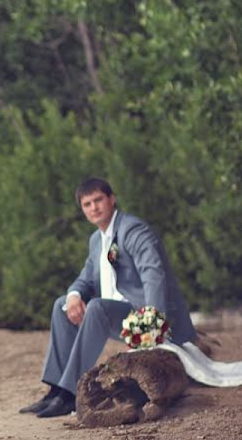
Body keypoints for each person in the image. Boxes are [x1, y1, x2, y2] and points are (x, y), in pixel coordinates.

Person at [20, 177, 196, 418]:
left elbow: (153, 274)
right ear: (82, 209)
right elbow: (86, 279)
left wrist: (154, 319)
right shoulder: (96, 240)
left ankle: (70, 394)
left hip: (143, 315)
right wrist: (73, 296)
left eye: (98, 200)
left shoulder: (133, 230)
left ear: (112, 199)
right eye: (87, 204)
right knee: (62, 304)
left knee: (96, 307)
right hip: (118, 315)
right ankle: (56, 390)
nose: (94, 207)